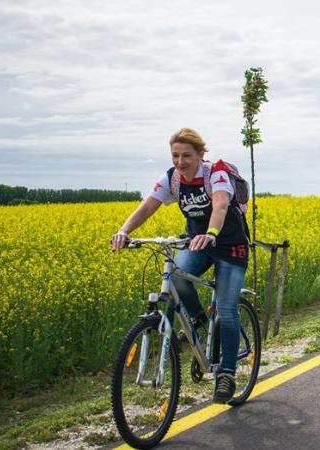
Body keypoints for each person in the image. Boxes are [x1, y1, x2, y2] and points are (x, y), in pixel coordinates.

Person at [111, 128, 249, 404]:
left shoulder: (217, 173)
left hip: (229, 245)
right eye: (175, 155)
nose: (180, 162)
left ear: (200, 155)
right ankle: (197, 320)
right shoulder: (172, 178)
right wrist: (124, 230)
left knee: (226, 308)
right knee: (174, 274)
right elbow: (147, 207)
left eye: (186, 155)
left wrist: (211, 232)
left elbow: (220, 205)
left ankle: (227, 374)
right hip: (197, 243)